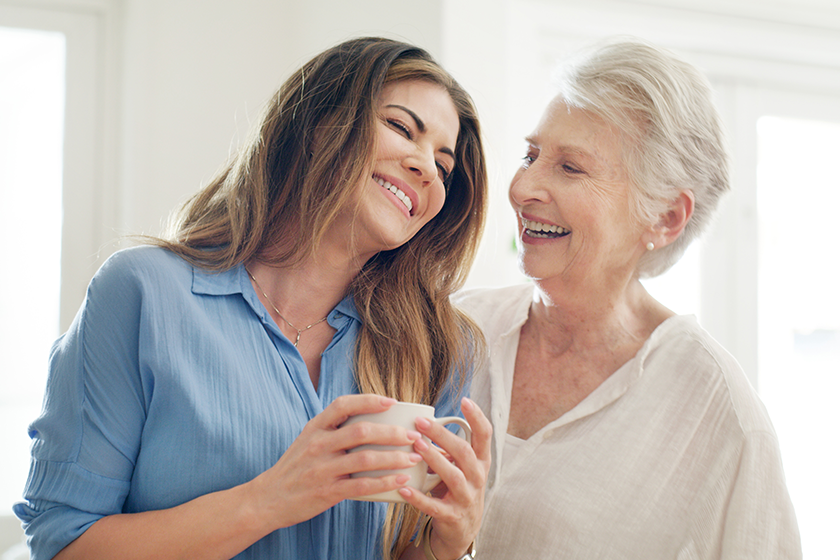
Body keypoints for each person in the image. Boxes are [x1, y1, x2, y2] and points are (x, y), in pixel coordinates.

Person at [14, 37, 491, 560]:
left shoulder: (440, 346)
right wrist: (268, 501)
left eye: (444, 168)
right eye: (402, 128)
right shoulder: (142, 294)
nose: (427, 168)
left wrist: (449, 546)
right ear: (317, 124)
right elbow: (63, 545)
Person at [454, 37, 801, 559]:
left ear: (665, 217)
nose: (523, 187)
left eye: (571, 167)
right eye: (532, 154)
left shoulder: (718, 410)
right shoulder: (456, 330)